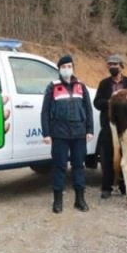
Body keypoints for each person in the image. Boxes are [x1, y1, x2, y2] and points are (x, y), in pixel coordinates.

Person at [41, 55, 94, 213]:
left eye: (69, 66)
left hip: (79, 133)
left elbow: (88, 110)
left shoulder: (81, 86)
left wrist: (89, 130)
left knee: (79, 166)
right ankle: (58, 201)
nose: (66, 69)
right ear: (59, 69)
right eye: (63, 67)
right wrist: (46, 133)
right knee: (59, 167)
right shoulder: (53, 87)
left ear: (73, 68)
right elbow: (45, 112)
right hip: (59, 134)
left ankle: (80, 199)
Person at [93, 54, 127, 199]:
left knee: (126, 157)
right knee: (107, 158)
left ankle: (124, 187)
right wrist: (111, 102)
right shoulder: (104, 84)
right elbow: (97, 103)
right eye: (109, 65)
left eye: (115, 64)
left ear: (121, 66)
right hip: (108, 126)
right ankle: (107, 188)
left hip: (126, 128)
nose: (112, 67)